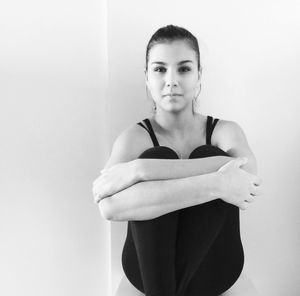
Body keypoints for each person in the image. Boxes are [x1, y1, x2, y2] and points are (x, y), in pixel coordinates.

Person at [92, 25, 262, 296]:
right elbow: (109, 207)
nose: (171, 80)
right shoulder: (135, 139)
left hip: (216, 274)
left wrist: (141, 172)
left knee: (204, 153)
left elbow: (248, 179)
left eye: (184, 69)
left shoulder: (224, 131)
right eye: (159, 69)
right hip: (147, 278)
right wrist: (218, 182)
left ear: (199, 77)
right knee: (159, 154)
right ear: (146, 78)